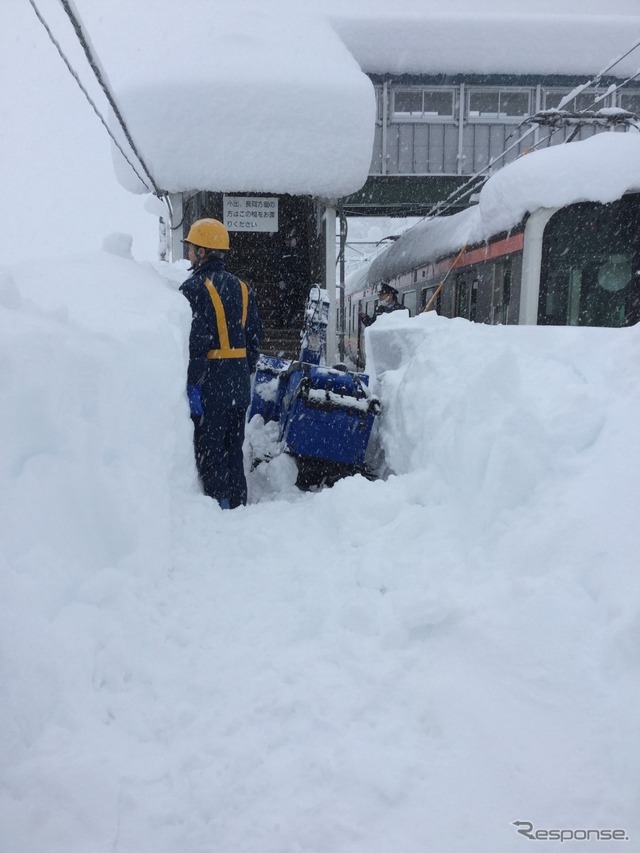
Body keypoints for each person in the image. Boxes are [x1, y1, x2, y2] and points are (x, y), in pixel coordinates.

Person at [179, 218, 262, 509]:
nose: (188, 253)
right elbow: (254, 339)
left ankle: (219, 506)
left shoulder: (191, 289)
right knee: (233, 446)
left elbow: (196, 344)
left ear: (203, 252)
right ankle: (239, 502)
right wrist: (243, 370)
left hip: (212, 384)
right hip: (239, 383)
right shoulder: (243, 288)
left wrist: (193, 385)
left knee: (211, 449)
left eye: (191, 248)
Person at [275, 226, 307, 327]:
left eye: (290, 239)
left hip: (295, 283)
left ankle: (289, 321)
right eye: (287, 239)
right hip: (285, 282)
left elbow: (302, 267)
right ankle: (280, 322)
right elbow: (277, 266)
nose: (288, 241)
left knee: (293, 303)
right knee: (282, 303)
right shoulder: (281, 251)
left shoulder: (299, 252)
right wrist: (280, 279)